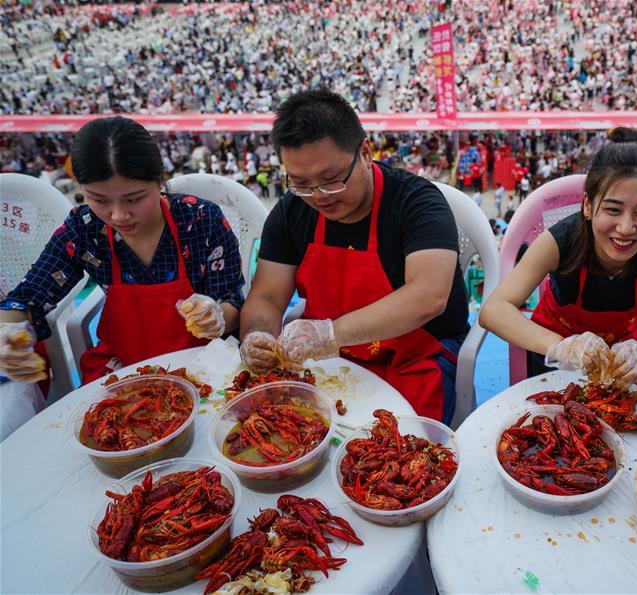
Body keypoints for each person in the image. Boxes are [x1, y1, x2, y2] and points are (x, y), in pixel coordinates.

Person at [238, 90, 469, 424]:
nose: (318, 196)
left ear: (365, 152)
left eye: (331, 180)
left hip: (415, 357)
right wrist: (258, 337)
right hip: (326, 361)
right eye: (301, 183)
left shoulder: (417, 202)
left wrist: (329, 334)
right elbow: (266, 296)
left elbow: (428, 297)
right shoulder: (292, 211)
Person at [0, 116, 244, 385]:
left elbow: (232, 300)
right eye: (98, 199)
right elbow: (24, 299)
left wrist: (217, 317)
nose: (118, 215)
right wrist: (8, 334)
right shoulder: (84, 229)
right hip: (125, 367)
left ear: (161, 179)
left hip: (201, 362)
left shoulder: (201, 220)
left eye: (134, 198)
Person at [480, 127, 637, 384]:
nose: (625, 228)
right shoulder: (559, 241)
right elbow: (493, 310)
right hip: (555, 362)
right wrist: (561, 347)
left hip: (628, 364)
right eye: (613, 209)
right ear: (588, 205)